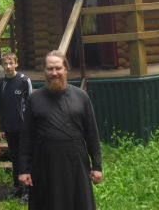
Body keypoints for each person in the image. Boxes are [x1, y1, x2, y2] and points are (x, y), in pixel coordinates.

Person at [19, 50, 103, 210]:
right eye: (50, 69)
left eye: (58, 68)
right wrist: (23, 169)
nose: (54, 73)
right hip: (45, 165)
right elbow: (26, 137)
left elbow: (92, 133)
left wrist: (97, 166)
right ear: (44, 71)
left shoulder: (81, 97)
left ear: (66, 69)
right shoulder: (34, 99)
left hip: (76, 164)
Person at [0, 52, 33, 200]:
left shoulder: (24, 80)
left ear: (16, 64)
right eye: (5, 64)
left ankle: (28, 190)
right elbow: (1, 104)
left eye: (11, 63)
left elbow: (30, 104)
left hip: (23, 127)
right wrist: (2, 126)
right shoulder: (1, 82)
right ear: (2, 66)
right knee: (15, 157)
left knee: (25, 157)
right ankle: (18, 187)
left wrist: (30, 126)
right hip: (9, 127)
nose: (8, 66)